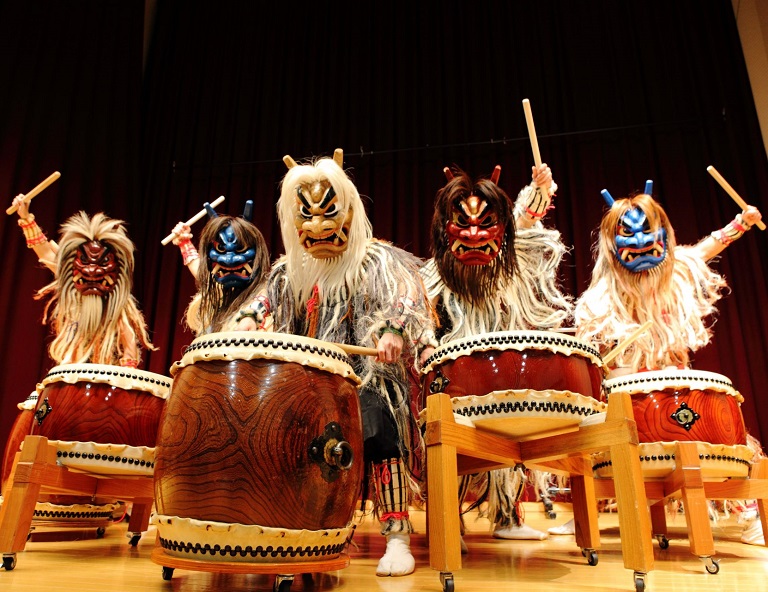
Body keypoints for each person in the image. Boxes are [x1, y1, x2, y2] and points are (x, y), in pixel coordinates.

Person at [549, 181, 763, 537]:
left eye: (647, 232)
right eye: (627, 236)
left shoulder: (675, 273)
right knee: (600, 444)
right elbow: (595, 349)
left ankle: (747, 510)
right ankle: (588, 510)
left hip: (673, 381)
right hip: (625, 389)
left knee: (712, 434)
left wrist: (741, 222)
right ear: (611, 244)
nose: (638, 243)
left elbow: (706, 248)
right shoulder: (602, 298)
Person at [262, 148, 433, 576]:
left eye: (328, 215)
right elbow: (265, 315)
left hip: (366, 377)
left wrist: (392, 328)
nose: (317, 227)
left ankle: (396, 534)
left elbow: (405, 297)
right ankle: (302, 528)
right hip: (307, 382)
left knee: (379, 422)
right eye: (307, 217)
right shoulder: (288, 276)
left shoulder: (376, 261)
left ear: (350, 214)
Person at [419, 162, 571, 542]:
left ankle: (509, 517)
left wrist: (540, 188)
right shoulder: (431, 278)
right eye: (462, 224)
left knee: (509, 435)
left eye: (486, 224)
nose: (473, 234)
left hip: (503, 371)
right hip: (451, 375)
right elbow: (416, 315)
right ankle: (446, 520)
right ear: (443, 229)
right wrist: (424, 344)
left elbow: (526, 216)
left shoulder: (509, 266)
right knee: (449, 443)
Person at [12, 194, 154, 366]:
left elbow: (129, 339)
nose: (92, 271)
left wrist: (127, 371)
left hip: (104, 375)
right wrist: (26, 218)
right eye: (85, 262)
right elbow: (45, 252)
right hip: (69, 371)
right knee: (42, 394)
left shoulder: (119, 308)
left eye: (102, 263)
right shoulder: (72, 278)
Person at [170, 201, 271, 335]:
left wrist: (250, 316)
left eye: (241, 248)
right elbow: (199, 268)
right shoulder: (218, 294)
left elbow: (265, 298)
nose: (229, 260)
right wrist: (184, 242)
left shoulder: (265, 290)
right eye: (220, 249)